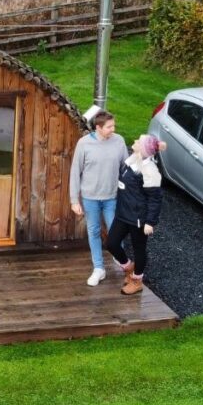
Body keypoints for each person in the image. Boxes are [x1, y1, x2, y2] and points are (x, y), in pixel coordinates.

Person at [69, 110, 128, 287]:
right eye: (109, 127)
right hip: (90, 198)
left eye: (113, 125)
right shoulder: (84, 144)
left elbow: (126, 168)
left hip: (112, 197)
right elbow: (75, 172)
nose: (113, 129)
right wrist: (74, 200)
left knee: (115, 232)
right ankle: (99, 268)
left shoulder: (119, 141)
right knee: (93, 232)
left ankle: (122, 260)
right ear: (98, 127)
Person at [107, 134, 166, 296]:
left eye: (138, 141)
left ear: (144, 149)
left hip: (139, 219)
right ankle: (128, 267)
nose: (134, 141)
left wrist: (150, 222)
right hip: (123, 213)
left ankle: (137, 280)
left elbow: (155, 198)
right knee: (111, 243)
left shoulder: (150, 171)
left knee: (139, 249)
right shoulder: (133, 159)